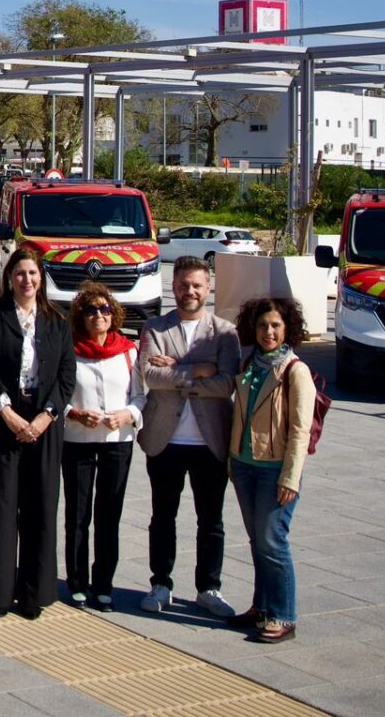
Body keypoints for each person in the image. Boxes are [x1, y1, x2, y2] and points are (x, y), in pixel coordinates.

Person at [0, 247, 74, 619]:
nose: (26, 280)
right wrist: (8, 413)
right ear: (9, 277)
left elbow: (67, 376)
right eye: (20, 274)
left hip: (45, 424)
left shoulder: (57, 321)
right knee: (1, 505)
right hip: (4, 421)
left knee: (41, 506)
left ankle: (34, 592)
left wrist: (46, 417)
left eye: (32, 274)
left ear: (40, 278)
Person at [137, 257, 240, 617]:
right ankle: (160, 583)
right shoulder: (155, 328)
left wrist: (177, 373)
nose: (189, 292)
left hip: (210, 441)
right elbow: (150, 376)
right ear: (173, 286)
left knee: (211, 520)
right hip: (165, 439)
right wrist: (199, 370)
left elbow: (227, 382)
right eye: (182, 285)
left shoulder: (225, 333)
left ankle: (209, 587)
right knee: (162, 516)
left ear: (208, 288)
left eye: (196, 285)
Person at [229, 296, 315, 644]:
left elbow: (300, 430)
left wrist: (290, 478)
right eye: (263, 325)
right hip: (244, 464)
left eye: (276, 326)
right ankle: (261, 607)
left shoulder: (295, 370)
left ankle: (283, 615)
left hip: (274, 469)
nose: (268, 332)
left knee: (272, 540)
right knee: (258, 542)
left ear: (287, 328)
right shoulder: (250, 363)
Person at [60, 282, 144, 611]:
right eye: (91, 310)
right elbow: (57, 395)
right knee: (78, 515)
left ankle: (104, 583)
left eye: (105, 309)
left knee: (109, 515)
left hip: (117, 443)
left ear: (114, 314)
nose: (99, 315)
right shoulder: (69, 350)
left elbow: (141, 395)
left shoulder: (129, 351)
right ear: (80, 315)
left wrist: (129, 414)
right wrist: (75, 414)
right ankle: (78, 583)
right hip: (78, 440)